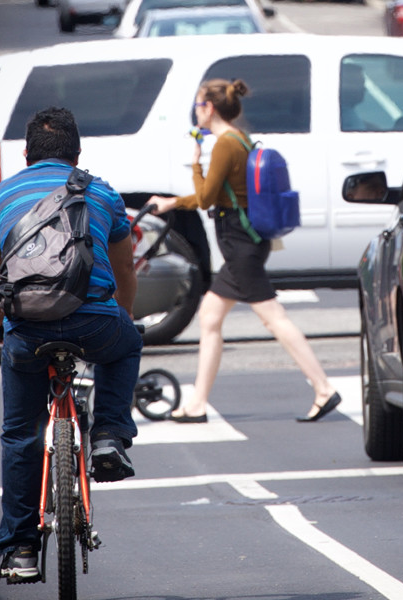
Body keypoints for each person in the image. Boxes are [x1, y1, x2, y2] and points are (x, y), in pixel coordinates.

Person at [0, 107, 143, 583]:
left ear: (26, 154)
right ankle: (109, 435)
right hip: (94, 323)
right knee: (126, 344)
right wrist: (122, 316)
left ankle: (21, 549)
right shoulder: (103, 193)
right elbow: (125, 269)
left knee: (19, 433)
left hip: (28, 330)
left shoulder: (0, 195)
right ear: (77, 153)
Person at [148, 78, 341, 424]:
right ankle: (197, 404)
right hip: (243, 242)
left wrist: (184, 181)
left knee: (273, 318)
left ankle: (323, 388)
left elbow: (205, 198)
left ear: (209, 108)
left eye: (198, 105)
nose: (196, 111)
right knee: (210, 317)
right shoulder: (240, 138)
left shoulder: (226, 144)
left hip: (241, 246)